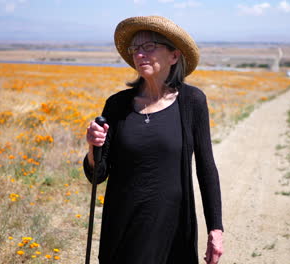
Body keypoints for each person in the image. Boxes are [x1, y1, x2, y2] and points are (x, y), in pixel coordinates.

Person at [84, 15, 223, 264]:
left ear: (174, 56)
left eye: (149, 46)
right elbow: (98, 173)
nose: (139, 54)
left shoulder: (192, 102)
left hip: (173, 231)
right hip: (123, 229)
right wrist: (93, 147)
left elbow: (206, 166)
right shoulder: (116, 105)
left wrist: (216, 228)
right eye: (135, 49)